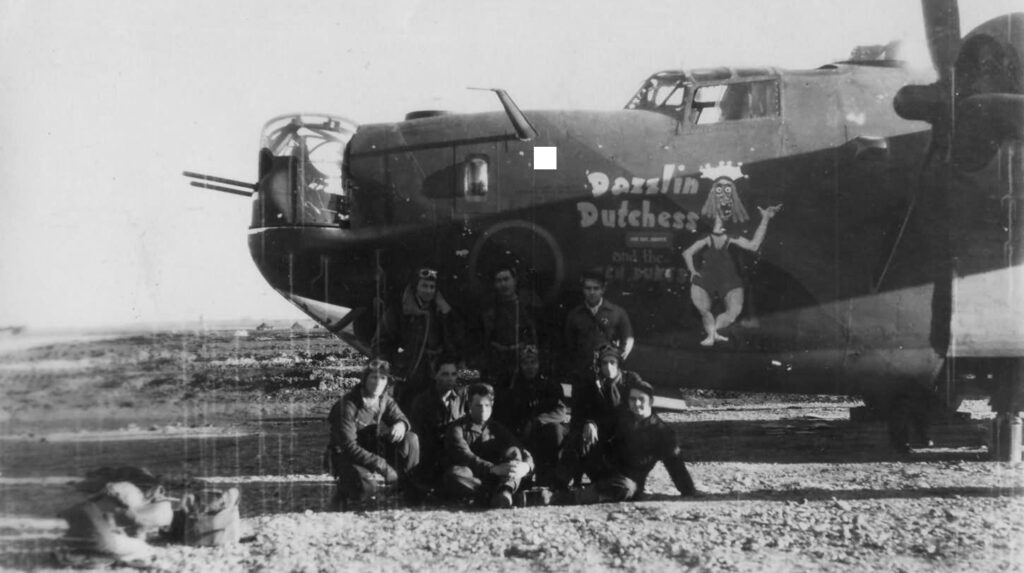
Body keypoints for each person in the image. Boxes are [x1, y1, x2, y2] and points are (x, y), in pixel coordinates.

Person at [683, 179, 781, 347]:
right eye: (719, 188)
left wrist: (765, 219)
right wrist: (692, 270)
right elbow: (687, 252)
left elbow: (754, 245)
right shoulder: (704, 229)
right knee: (703, 310)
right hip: (706, 277)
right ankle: (711, 335)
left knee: (733, 313)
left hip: (729, 279)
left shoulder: (732, 234)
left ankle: (713, 334)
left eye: (727, 188)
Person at [576, 376, 698, 503]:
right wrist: (591, 424)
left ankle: (572, 497)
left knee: (625, 488)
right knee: (580, 437)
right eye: (633, 399)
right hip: (606, 470)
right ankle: (559, 485)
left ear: (651, 401)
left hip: (628, 480)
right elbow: (602, 425)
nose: (637, 403)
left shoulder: (662, 431)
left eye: (641, 399)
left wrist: (688, 490)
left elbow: (674, 463)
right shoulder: (623, 418)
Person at [325, 359, 421, 508]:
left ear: (387, 382)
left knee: (410, 438)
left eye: (382, 378)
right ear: (365, 380)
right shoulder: (347, 406)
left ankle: (407, 485)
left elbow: (401, 418)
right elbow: (349, 446)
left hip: (371, 448)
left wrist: (401, 425)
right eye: (373, 377)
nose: (378, 382)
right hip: (347, 455)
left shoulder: (384, 400)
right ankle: (345, 488)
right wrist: (383, 467)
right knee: (366, 489)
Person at [376, 267, 459, 410]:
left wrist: (447, 314)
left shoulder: (440, 311)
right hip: (408, 374)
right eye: (424, 286)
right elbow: (380, 342)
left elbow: (454, 339)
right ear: (416, 287)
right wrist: (392, 365)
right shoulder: (399, 311)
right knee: (405, 413)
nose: (428, 291)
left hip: (434, 375)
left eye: (432, 287)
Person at [443, 383, 534, 508]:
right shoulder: (457, 428)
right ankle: (491, 496)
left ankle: (505, 491)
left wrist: (526, 466)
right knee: (455, 474)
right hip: (473, 478)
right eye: (478, 405)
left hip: (499, 478)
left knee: (514, 452)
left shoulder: (498, 428)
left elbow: (521, 449)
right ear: (469, 405)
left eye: (487, 406)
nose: (483, 410)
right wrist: (493, 468)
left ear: (492, 405)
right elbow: (465, 456)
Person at [555, 345, 633, 489]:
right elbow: (578, 415)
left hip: (620, 446)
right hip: (598, 445)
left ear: (618, 364)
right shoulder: (591, 384)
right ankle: (559, 485)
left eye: (612, 362)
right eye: (605, 363)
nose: (609, 367)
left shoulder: (630, 381)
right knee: (579, 438)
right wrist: (589, 422)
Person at [506, 345, 569, 485]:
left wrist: (536, 422)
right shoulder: (515, 386)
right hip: (524, 435)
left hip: (545, 432)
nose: (530, 367)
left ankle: (552, 479)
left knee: (555, 431)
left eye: (533, 362)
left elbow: (560, 411)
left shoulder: (550, 384)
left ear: (539, 364)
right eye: (525, 363)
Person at [407, 356, 466, 489]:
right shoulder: (422, 401)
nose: (450, 378)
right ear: (435, 375)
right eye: (445, 374)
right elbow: (419, 436)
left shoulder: (462, 397)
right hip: (431, 456)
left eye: (453, 374)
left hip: (455, 452)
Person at [563, 271, 634, 377]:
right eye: (588, 288)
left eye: (596, 288)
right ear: (583, 290)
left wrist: (616, 358)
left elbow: (628, 339)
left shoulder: (617, 313)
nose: (592, 292)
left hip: (608, 371)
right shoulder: (575, 314)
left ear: (603, 290)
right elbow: (569, 342)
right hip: (583, 371)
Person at [478, 264, 538, 388]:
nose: (503, 284)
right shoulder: (490, 310)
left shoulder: (528, 307)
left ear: (514, 280)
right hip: (499, 367)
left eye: (506, 279)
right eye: (499, 281)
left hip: (524, 366)